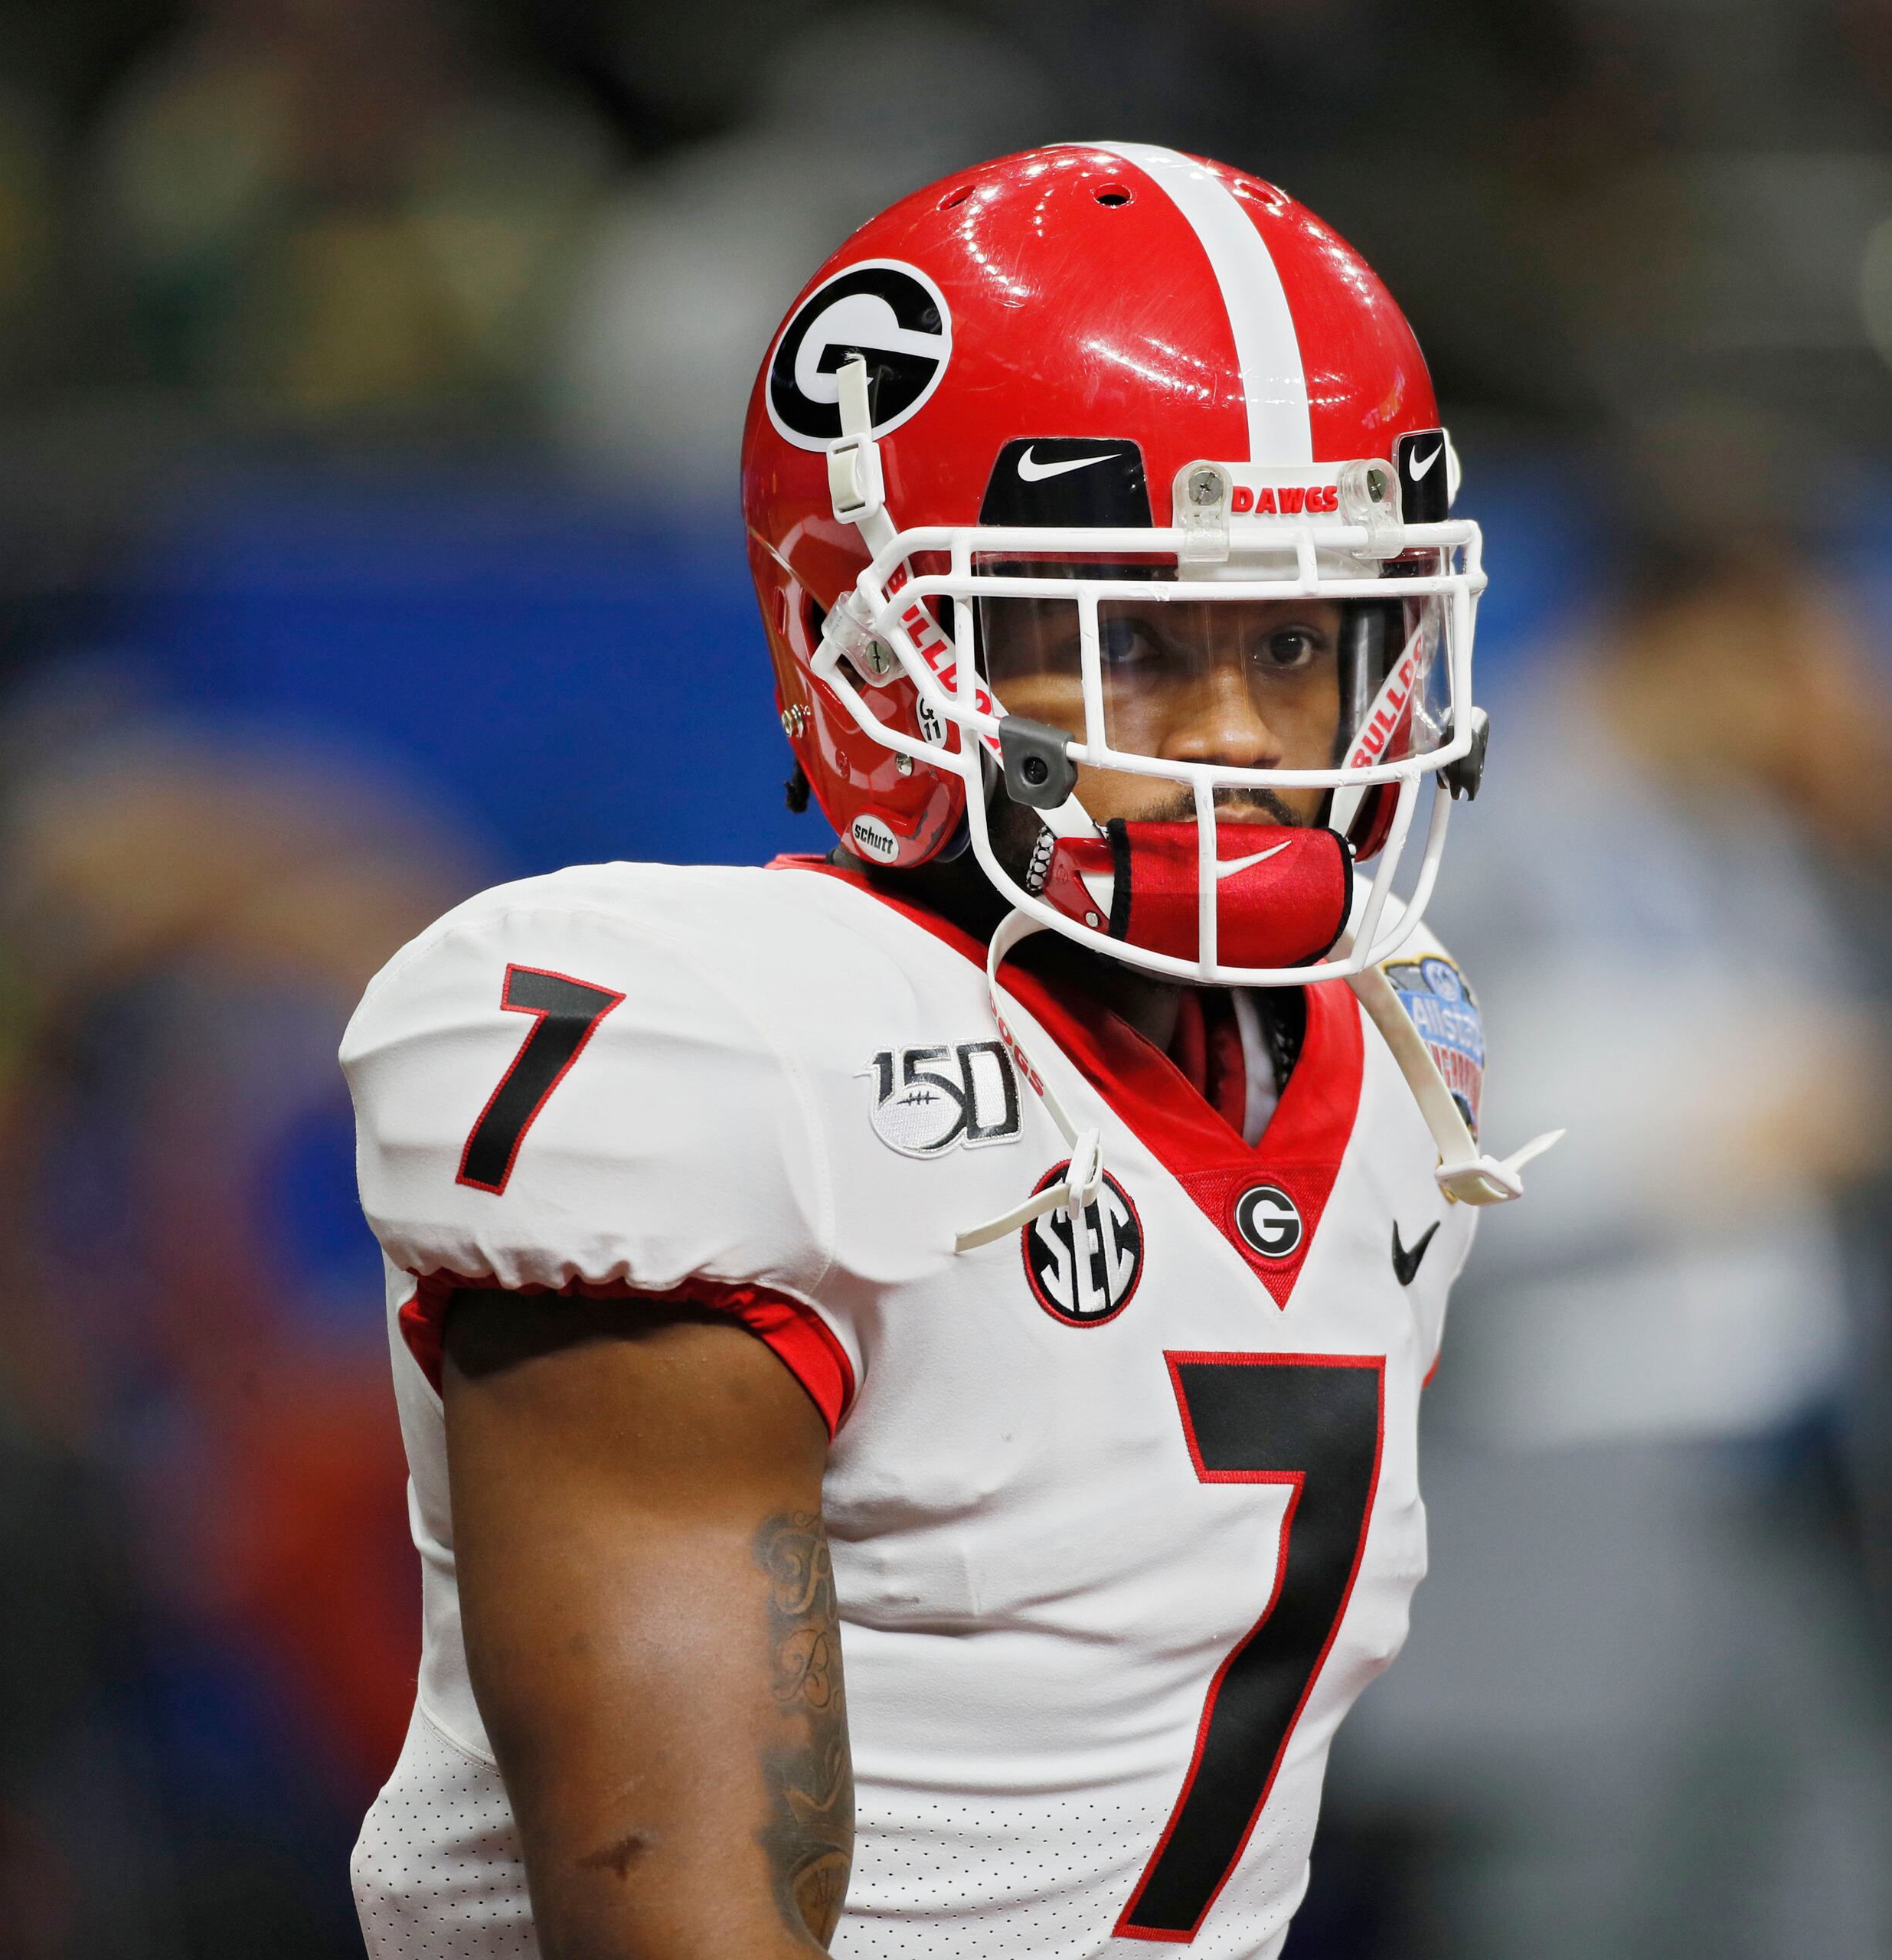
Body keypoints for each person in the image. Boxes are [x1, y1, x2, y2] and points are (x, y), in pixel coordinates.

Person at [338, 142, 1550, 1957]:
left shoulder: (1394, 1048)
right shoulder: (733, 1050)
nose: (1236, 737)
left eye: (1297, 637)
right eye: (1131, 641)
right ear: (879, 647)